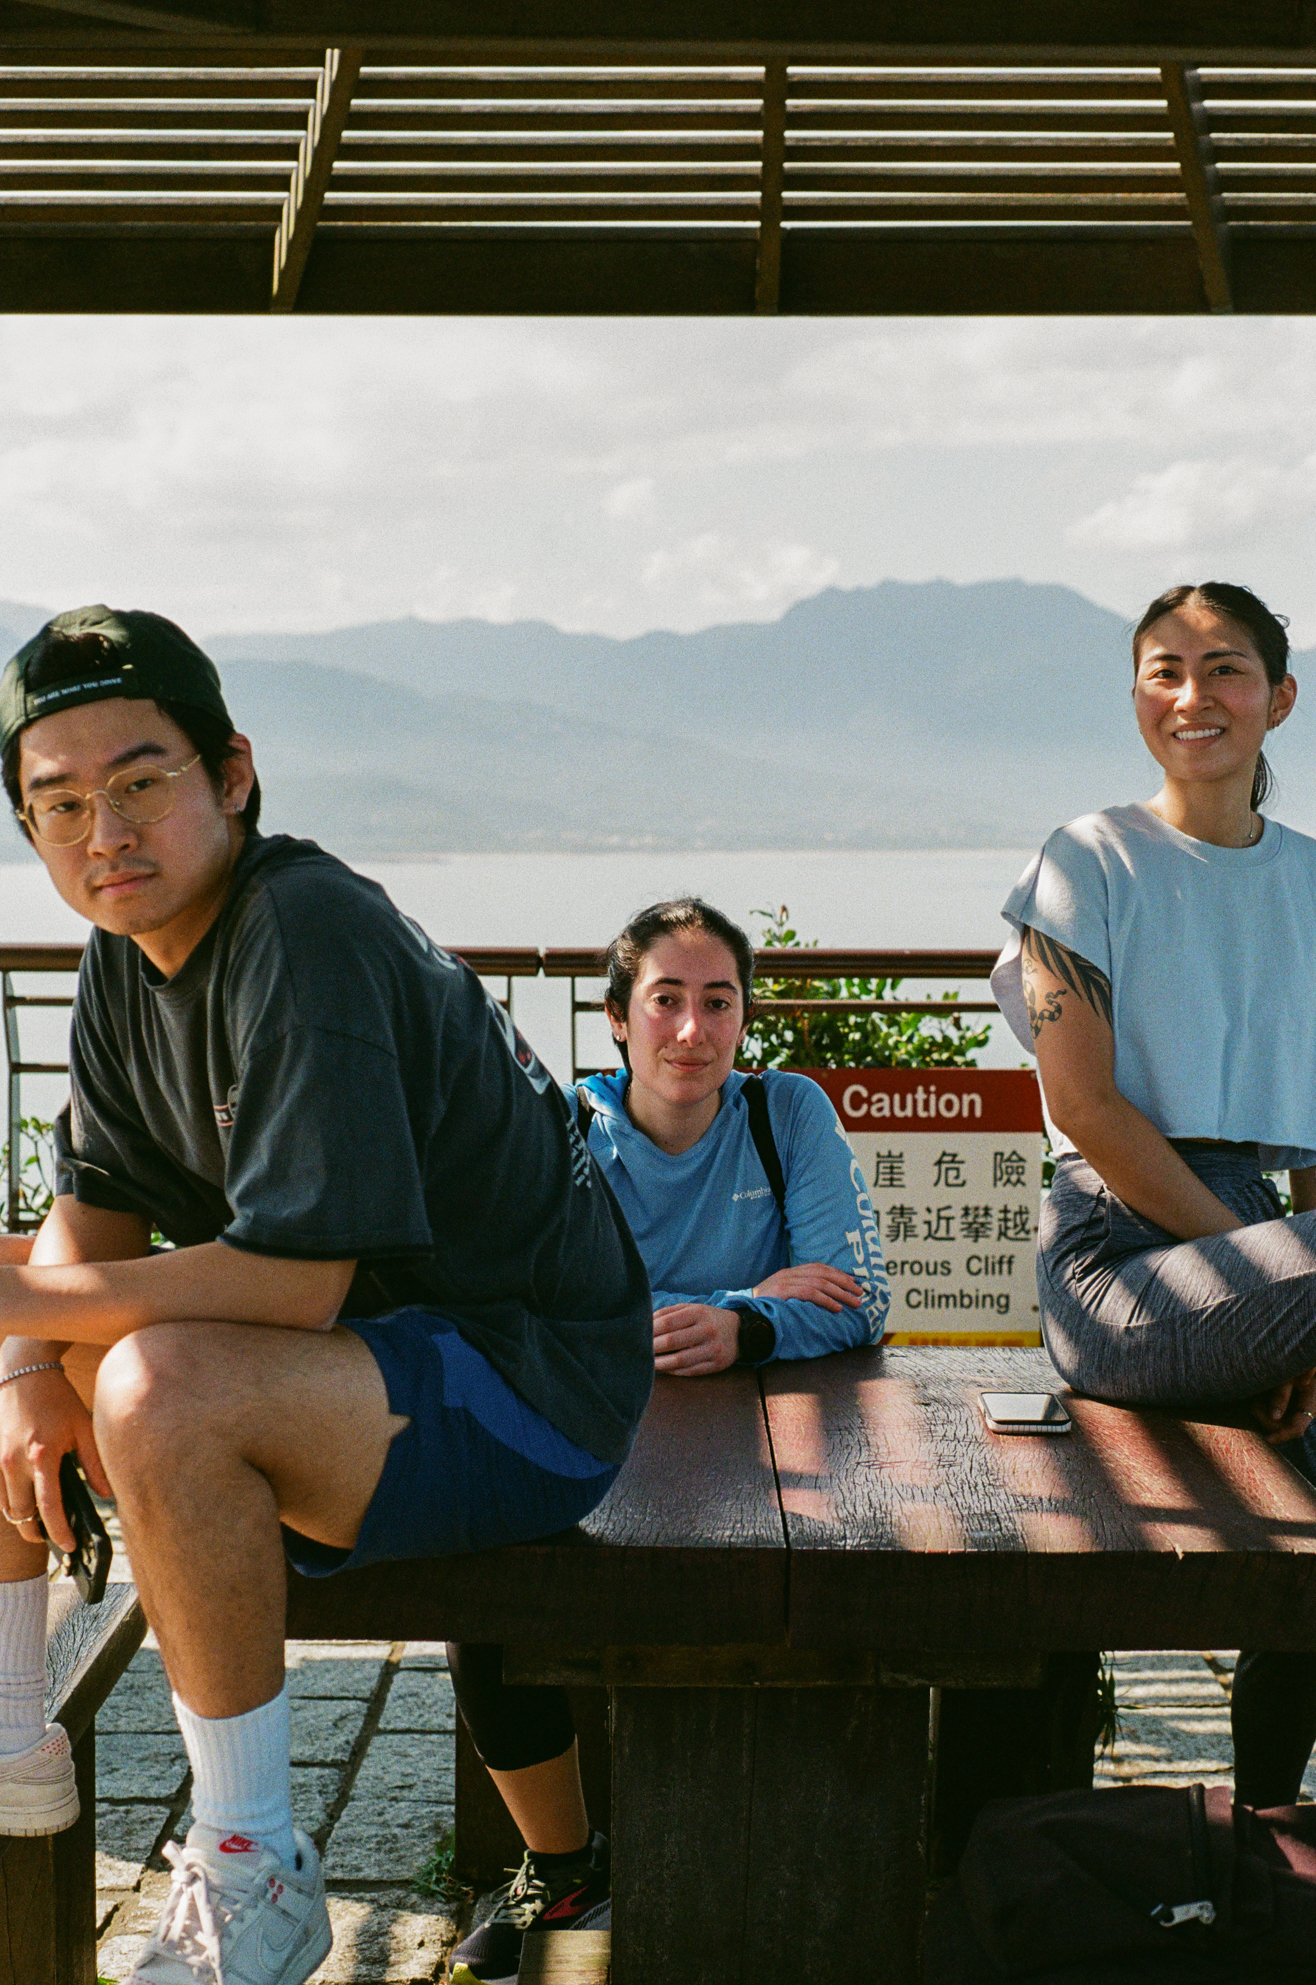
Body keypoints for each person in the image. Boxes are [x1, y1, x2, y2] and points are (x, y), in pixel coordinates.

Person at [0, 605, 652, 1985]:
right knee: (39, 1352)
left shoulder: (303, 927)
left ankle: (253, 1870)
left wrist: (25, 1315)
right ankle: (12, 1744)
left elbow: (293, 1288)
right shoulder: (123, 960)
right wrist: (23, 1365)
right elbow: (90, 1220)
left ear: (232, 774)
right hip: (364, 1370)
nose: (104, 831)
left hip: (533, 1384)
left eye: (140, 781)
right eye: (58, 804)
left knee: (158, 1384)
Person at [445, 902, 890, 1938]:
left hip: (772, 1459)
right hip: (598, 1440)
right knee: (484, 1590)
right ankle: (562, 1863)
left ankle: (804, 1871)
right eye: (665, 1000)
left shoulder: (786, 1112)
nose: (692, 1029)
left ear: (744, 1019)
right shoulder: (561, 1128)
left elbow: (860, 1297)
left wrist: (739, 1324)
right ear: (615, 1017)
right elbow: (514, 1309)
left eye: (718, 1002)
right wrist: (747, 1296)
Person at [991, 579, 1316, 1808]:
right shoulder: (1085, 858)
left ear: (1278, 698)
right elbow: (1084, 1107)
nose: (1193, 694)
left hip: (1270, 1247)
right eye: (1162, 670)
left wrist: (1288, 1315)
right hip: (1114, 1259)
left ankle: (1265, 1824)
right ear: (1134, 698)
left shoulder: (1306, 880)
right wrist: (1266, 1282)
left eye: (1224, 667)